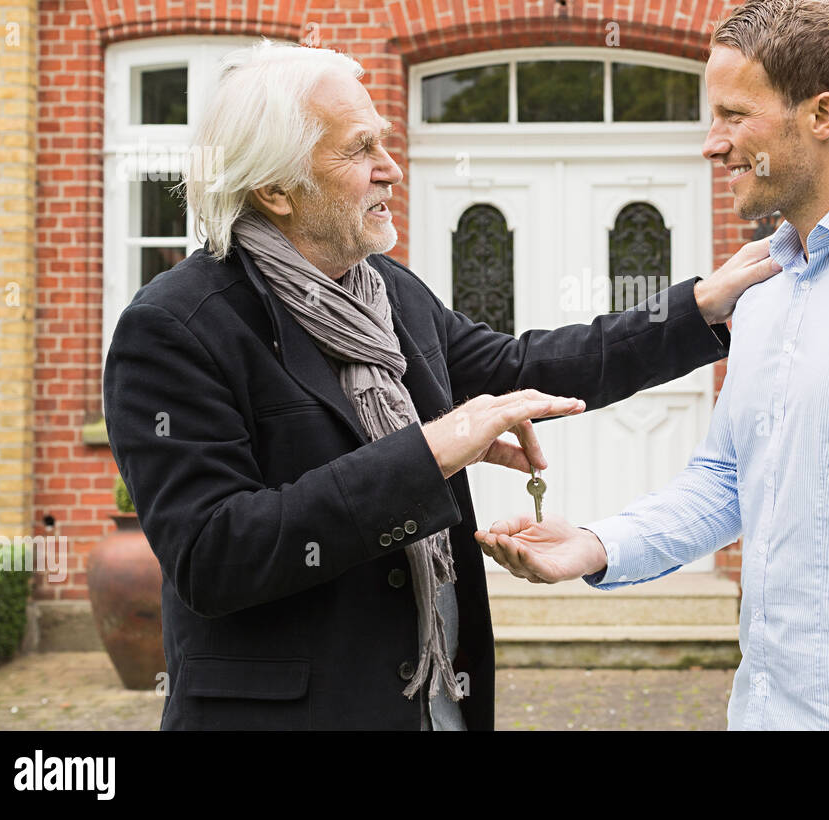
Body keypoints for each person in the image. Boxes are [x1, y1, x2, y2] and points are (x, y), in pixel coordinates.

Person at [101, 39, 780, 730]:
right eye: (359, 150)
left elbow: (522, 370)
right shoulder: (175, 329)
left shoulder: (385, 293)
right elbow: (215, 556)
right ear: (275, 190)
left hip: (433, 707)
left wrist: (696, 309)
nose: (390, 169)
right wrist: (430, 452)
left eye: (384, 144)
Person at [477, 0, 829, 730]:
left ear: (822, 115)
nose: (712, 144)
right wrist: (597, 545)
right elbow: (729, 480)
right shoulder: (764, 288)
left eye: (734, 116)